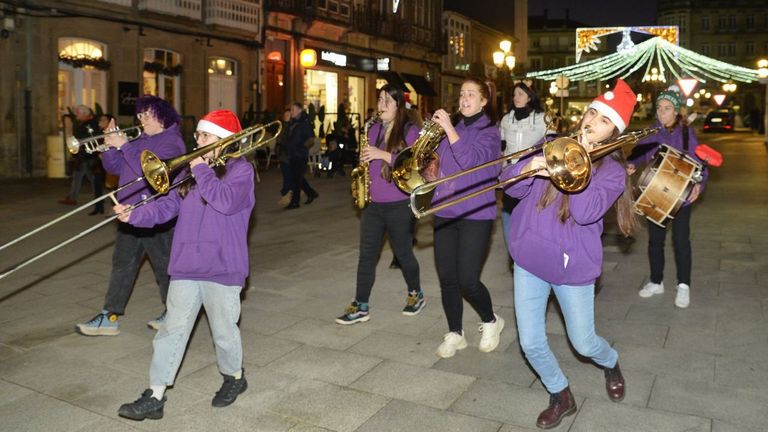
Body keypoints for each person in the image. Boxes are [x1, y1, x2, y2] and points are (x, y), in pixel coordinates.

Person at [503, 79, 639, 429]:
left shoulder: (611, 172)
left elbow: (585, 212)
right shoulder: (551, 144)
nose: (592, 121)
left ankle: (610, 361)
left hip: (572, 266)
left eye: (604, 120)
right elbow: (510, 187)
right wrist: (526, 168)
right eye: (592, 112)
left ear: (613, 132)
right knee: (530, 342)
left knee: (584, 342)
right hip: (531, 256)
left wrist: (577, 166)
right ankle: (560, 393)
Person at [115, 110, 254, 420]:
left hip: (222, 266)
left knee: (223, 332)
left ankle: (234, 377)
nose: (198, 141)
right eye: (199, 135)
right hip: (186, 265)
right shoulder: (191, 173)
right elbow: (167, 206)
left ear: (224, 140)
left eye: (205, 136)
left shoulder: (241, 171)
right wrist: (134, 214)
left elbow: (225, 201)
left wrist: (202, 170)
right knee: (171, 331)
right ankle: (155, 394)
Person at [76, 95, 186, 336]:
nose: (142, 119)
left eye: (147, 115)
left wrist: (125, 145)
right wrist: (108, 147)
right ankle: (110, 316)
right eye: (140, 115)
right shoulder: (142, 139)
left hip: (155, 216)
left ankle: (175, 313)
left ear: (162, 117)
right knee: (122, 265)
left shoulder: (172, 144)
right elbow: (115, 168)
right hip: (129, 214)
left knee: (165, 268)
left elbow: (152, 175)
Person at [336, 84, 424, 325]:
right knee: (366, 256)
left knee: (403, 253)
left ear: (399, 106)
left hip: (399, 204)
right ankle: (361, 304)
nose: (382, 104)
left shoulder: (410, 130)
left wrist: (382, 154)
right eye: (380, 99)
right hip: (373, 205)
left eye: (388, 100)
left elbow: (414, 164)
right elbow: (367, 160)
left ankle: (416, 293)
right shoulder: (372, 128)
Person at [429, 77, 505, 358]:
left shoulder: (490, 132)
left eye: (471, 94)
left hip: (476, 213)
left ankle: (491, 321)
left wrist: (448, 129)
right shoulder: (451, 129)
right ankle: (455, 333)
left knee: (468, 279)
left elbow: (471, 162)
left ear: (484, 101)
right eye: (462, 94)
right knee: (447, 277)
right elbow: (438, 167)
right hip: (445, 210)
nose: (464, 99)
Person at [628, 88, 707, 308]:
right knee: (655, 240)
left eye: (667, 108)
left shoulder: (685, 132)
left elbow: (701, 161)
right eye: (659, 108)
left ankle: (683, 285)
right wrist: (632, 164)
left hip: (682, 194)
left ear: (676, 111)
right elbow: (639, 153)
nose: (662, 112)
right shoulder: (652, 130)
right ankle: (656, 281)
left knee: (681, 240)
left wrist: (699, 184)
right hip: (655, 192)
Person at [499, 83, 547, 246]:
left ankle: (527, 247)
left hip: (533, 173)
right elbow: (501, 144)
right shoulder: (506, 119)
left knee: (530, 212)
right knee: (508, 211)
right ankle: (512, 250)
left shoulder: (541, 118)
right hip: (511, 172)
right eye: (514, 94)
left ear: (529, 96)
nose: (516, 97)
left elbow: (550, 143)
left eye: (520, 94)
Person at [59, 105, 101, 207]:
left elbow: (90, 138)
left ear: (84, 114)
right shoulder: (84, 122)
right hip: (83, 154)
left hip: (88, 154)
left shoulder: (91, 124)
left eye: (78, 113)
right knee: (79, 176)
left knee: (89, 177)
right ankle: (72, 197)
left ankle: (99, 198)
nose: (76, 115)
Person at [284, 102, 319, 209]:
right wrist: (286, 123)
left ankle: (295, 202)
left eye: (293, 110)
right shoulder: (292, 122)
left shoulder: (305, 123)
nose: (291, 112)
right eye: (291, 109)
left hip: (300, 155)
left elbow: (311, 139)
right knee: (298, 177)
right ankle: (311, 193)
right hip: (291, 154)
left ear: (300, 110)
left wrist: (302, 146)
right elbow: (285, 136)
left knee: (296, 179)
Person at [276, 108, 294, 206]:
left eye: (288, 115)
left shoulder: (291, 127)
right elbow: (279, 140)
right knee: (287, 175)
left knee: (288, 176)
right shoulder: (282, 127)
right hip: (283, 155)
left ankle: (286, 197)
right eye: (285, 115)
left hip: (290, 155)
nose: (286, 117)